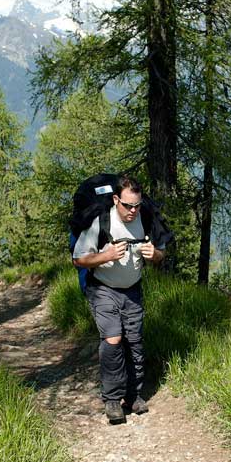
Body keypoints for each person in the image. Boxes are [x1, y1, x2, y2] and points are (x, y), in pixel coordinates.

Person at [72, 175, 166, 425]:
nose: (133, 211)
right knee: (113, 339)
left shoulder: (145, 218)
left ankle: (133, 395)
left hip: (132, 290)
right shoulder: (101, 221)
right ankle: (112, 400)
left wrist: (155, 254)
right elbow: (78, 259)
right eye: (127, 206)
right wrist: (106, 256)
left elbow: (161, 254)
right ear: (116, 200)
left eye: (137, 205)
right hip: (102, 288)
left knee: (134, 341)